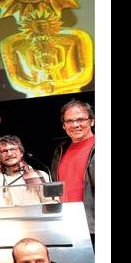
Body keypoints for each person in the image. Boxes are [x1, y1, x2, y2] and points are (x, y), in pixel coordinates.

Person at [51, 99, 95, 242]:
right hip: (66, 226)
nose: (75, 125)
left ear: (92, 121)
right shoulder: (60, 150)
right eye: (69, 121)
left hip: (94, 227)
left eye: (81, 119)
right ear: (64, 126)